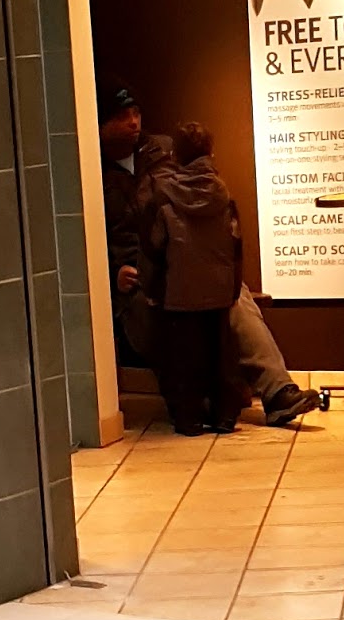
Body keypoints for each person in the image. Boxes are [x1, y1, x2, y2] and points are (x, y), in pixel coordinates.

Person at [98, 84, 320, 427]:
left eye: (136, 113)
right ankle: (197, 399)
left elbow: (205, 202)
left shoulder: (164, 151)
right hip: (138, 280)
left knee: (235, 296)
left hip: (188, 261)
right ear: (100, 124)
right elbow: (82, 239)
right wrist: (113, 272)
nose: (133, 122)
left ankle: (278, 391)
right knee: (154, 315)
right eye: (122, 116)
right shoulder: (89, 172)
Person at [146, 122, 244, 434]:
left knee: (184, 359)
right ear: (210, 153)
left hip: (179, 292)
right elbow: (236, 245)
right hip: (218, 289)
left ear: (176, 155)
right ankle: (224, 415)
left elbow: (155, 245)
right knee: (221, 355)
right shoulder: (224, 195)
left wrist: (153, 289)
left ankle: (189, 418)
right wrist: (232, 287)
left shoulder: (165, 196)